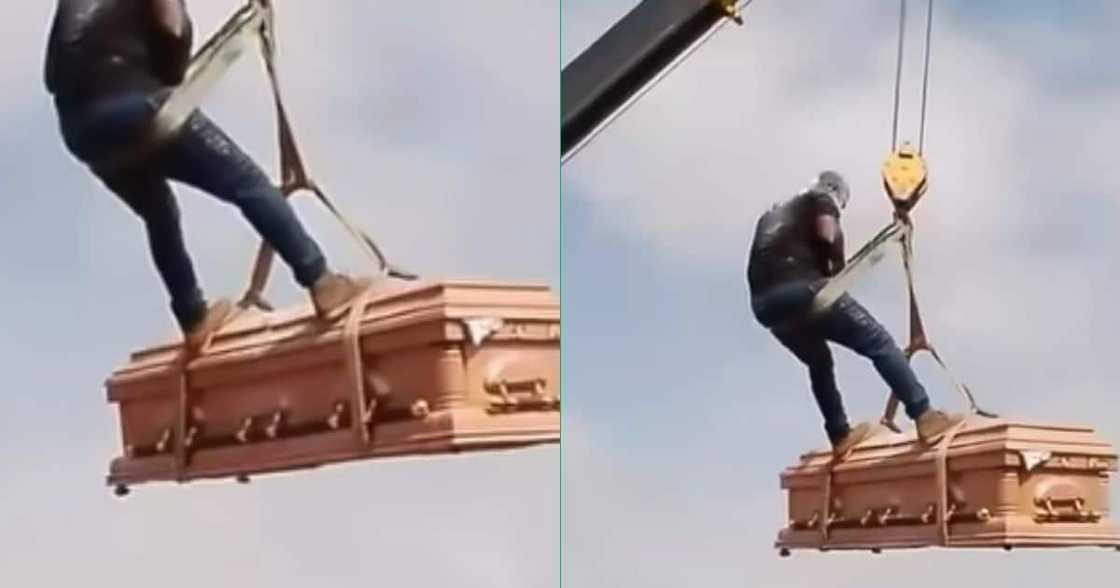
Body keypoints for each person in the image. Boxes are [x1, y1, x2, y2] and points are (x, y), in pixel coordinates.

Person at [44, 0, 370, 351]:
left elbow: (55, 72)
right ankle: (322, 282)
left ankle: (193, 318)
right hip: (135, 105)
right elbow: (172, 37)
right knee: (247, 182)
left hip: (81, 132)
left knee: (158, 213)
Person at [746, 170, 962, 457]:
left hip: (766, 307)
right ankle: (924, 414)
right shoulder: (822, 198)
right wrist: (835, 266)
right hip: (802, 288)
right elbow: (827, 233)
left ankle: (839, 434)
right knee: (879, 342)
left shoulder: (771, 215)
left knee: (819, 362)